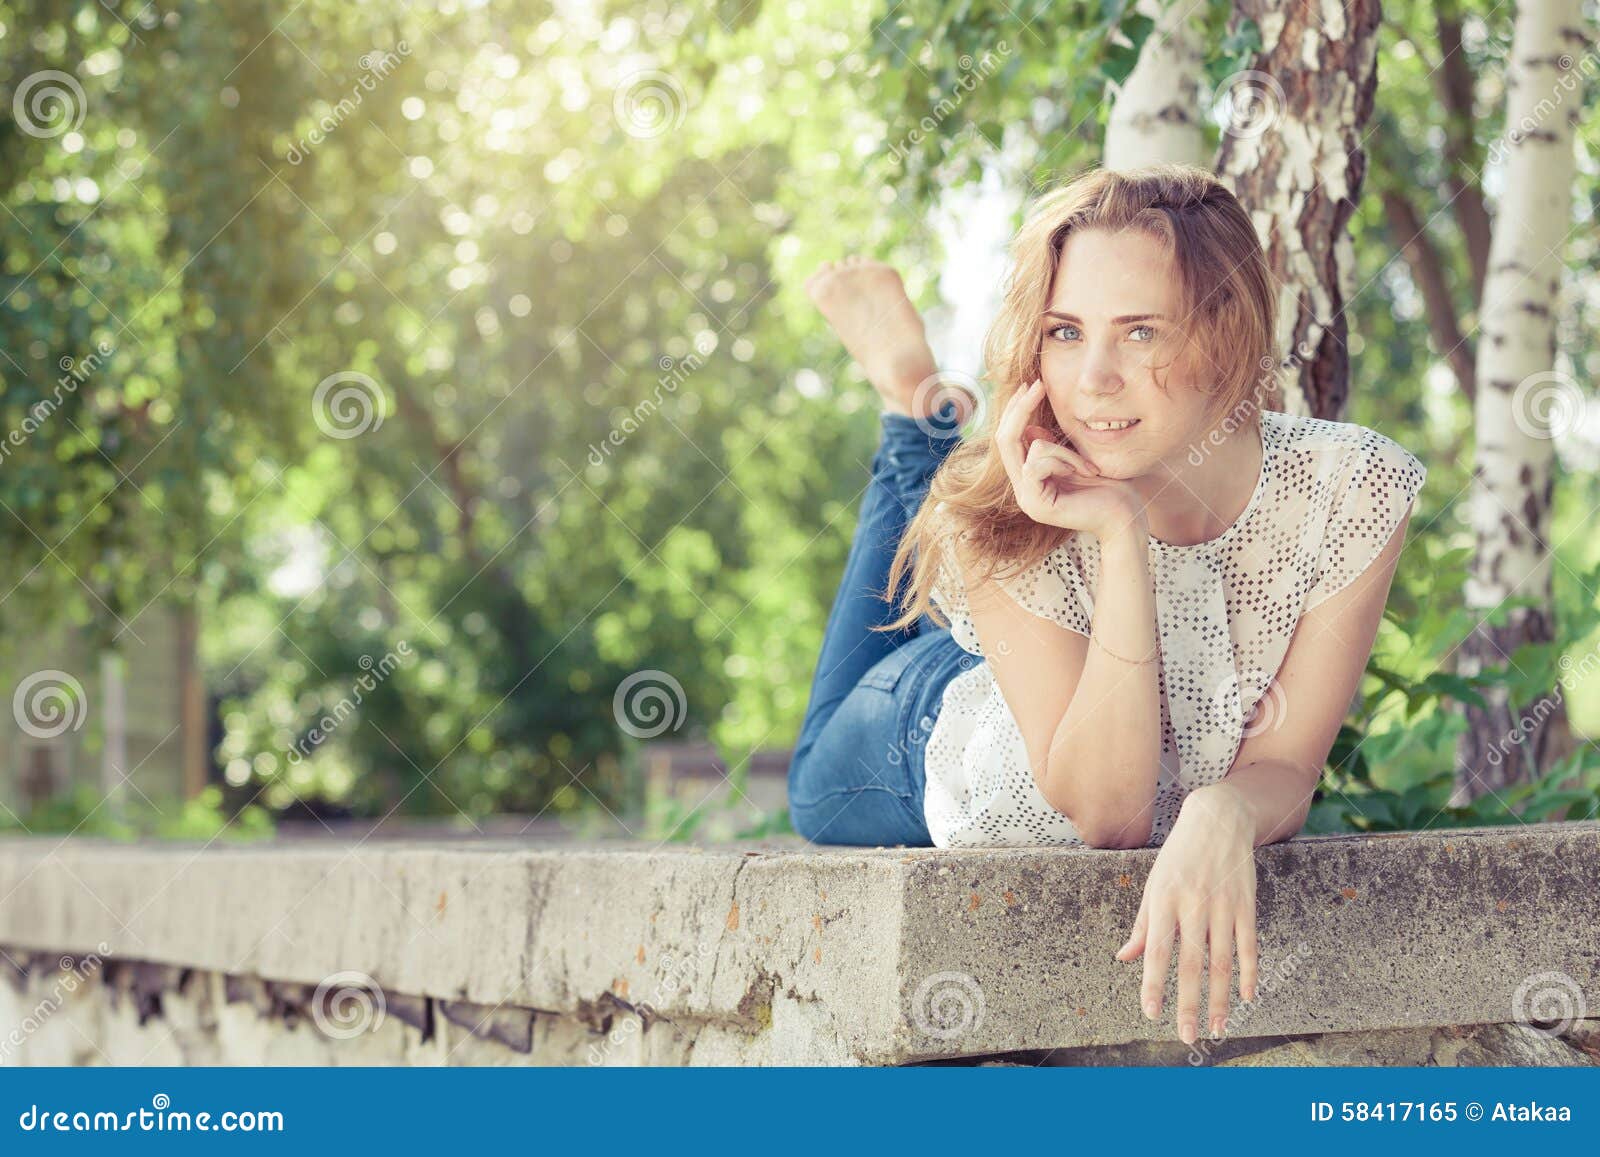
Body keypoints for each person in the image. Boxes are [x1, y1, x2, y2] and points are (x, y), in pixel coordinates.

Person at [787, 163, 1427, 1045]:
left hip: (1043, 649)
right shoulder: (1007, 514)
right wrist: (1120, 537)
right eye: (1064, 331)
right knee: (813, 778)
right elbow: (1112, 812)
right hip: (947, 726)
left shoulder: (1350, 489)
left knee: (961, 501)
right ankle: (912, 406)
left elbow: (1287, 764)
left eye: (1140, 332)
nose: (1093, 379)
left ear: (1225, 331)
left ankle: (925, 416)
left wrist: (1222, 808)